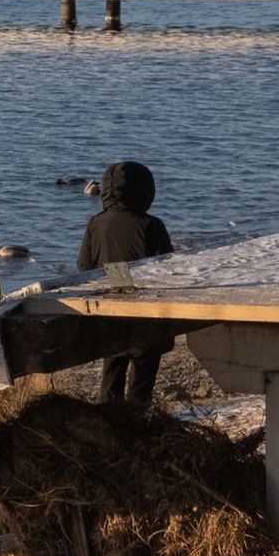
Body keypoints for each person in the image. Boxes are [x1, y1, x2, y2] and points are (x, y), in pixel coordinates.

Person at [76, 160, 175, 405]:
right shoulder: (151, 225)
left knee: (110, 385)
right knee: (140, 392)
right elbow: (168, 271)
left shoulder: (96, 223)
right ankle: (136, 430)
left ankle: (109, 430)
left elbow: (84, 267)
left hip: (111, 317)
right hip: (147, 320)